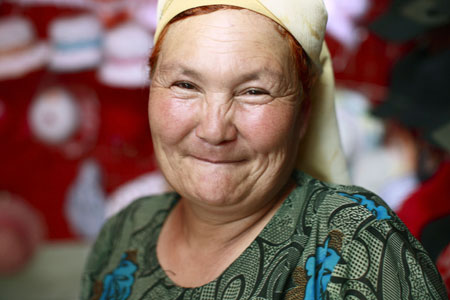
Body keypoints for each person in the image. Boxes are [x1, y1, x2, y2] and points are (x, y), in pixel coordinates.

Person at [81, 0, 447, 299]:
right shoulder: (125, 230)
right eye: (186, 84)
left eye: (253, 92)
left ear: (303, 113)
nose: (214, 130)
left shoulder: (355, 244)